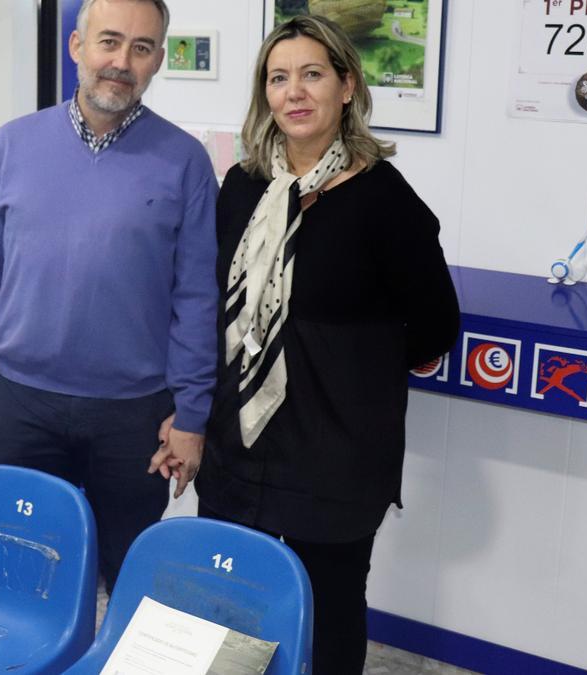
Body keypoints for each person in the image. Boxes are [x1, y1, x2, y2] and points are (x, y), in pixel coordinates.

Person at [194, 15, 459, 675]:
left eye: (312, 74)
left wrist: (350, 363)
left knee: (330, 606)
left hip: (335, 453)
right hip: (240, 442)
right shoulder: (245, 185)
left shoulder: (384, 199)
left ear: (347, 85)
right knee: (233, 599)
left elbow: (434, 326)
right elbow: (215, 301)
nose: (295, 92)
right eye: (278, 78)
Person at [0, 0, 218, 590]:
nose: (122, 61)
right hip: (21, 405)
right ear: (77, 47)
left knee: (128, 579)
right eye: (109, 42)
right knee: (17, 577)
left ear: (157, 61)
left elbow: (196, 299)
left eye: (141, 48)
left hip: (135, 418)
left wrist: (192, 415)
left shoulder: (186, 162)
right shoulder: (11, 145)